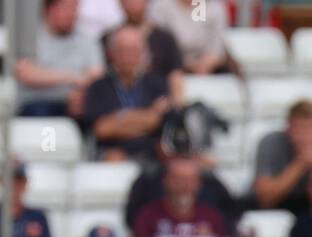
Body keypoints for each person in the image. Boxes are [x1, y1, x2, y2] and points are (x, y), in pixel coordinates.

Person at [83, 25, 173, 164]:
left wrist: (119, 119)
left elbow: (158, 121)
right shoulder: (98, 87)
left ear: (143, 52)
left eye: (134, 50)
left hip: (151, 152)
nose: (129, 56)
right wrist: (147, 117)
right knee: (114, 160)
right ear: (112, 53)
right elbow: (102, 129)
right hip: (112, 151)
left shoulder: (157, 83)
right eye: (123, 50)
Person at [129, 156, 228, 237]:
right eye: (179, 179)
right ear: (166, 181)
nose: (184, 186)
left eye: (190, 180)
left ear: (198, 183)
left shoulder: (212, 217)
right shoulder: (148, 216)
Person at [253, 101, 312, 216]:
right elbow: (265, 199)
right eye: (299, 128)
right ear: (288, 127)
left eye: (309, 129)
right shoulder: (270, 143)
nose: (303, 136)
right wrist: (300, 164)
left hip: (310, 209)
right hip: (276, 206)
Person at [16, 0, 105, 118]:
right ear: (49, 10)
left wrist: (80, 94)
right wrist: (73, 78)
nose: (73, 14)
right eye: (67, 8)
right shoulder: (31, 36)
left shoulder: (87, 39)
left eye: (75, 8)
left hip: (77, 105)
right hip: (37, 105)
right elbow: (26, 74)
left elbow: (96, 76)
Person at [106, 0, 185, 101]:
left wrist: (177, 107)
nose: (134, 3)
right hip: (117, 103)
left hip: (158, 102)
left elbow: (176, 76)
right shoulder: (108, 38)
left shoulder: (165, 39)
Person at [148, 0, 235, 75]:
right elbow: (155, 45)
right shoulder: (161, 6)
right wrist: (183, 65)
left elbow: (218, 51)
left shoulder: (215, 9)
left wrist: (204, 65)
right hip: (169, 71)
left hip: (209, 72)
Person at [7, 164, 58, 237]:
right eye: (11, 180)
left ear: (25, 183)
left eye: (19, 181)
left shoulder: (38, 216)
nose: (15, 185)